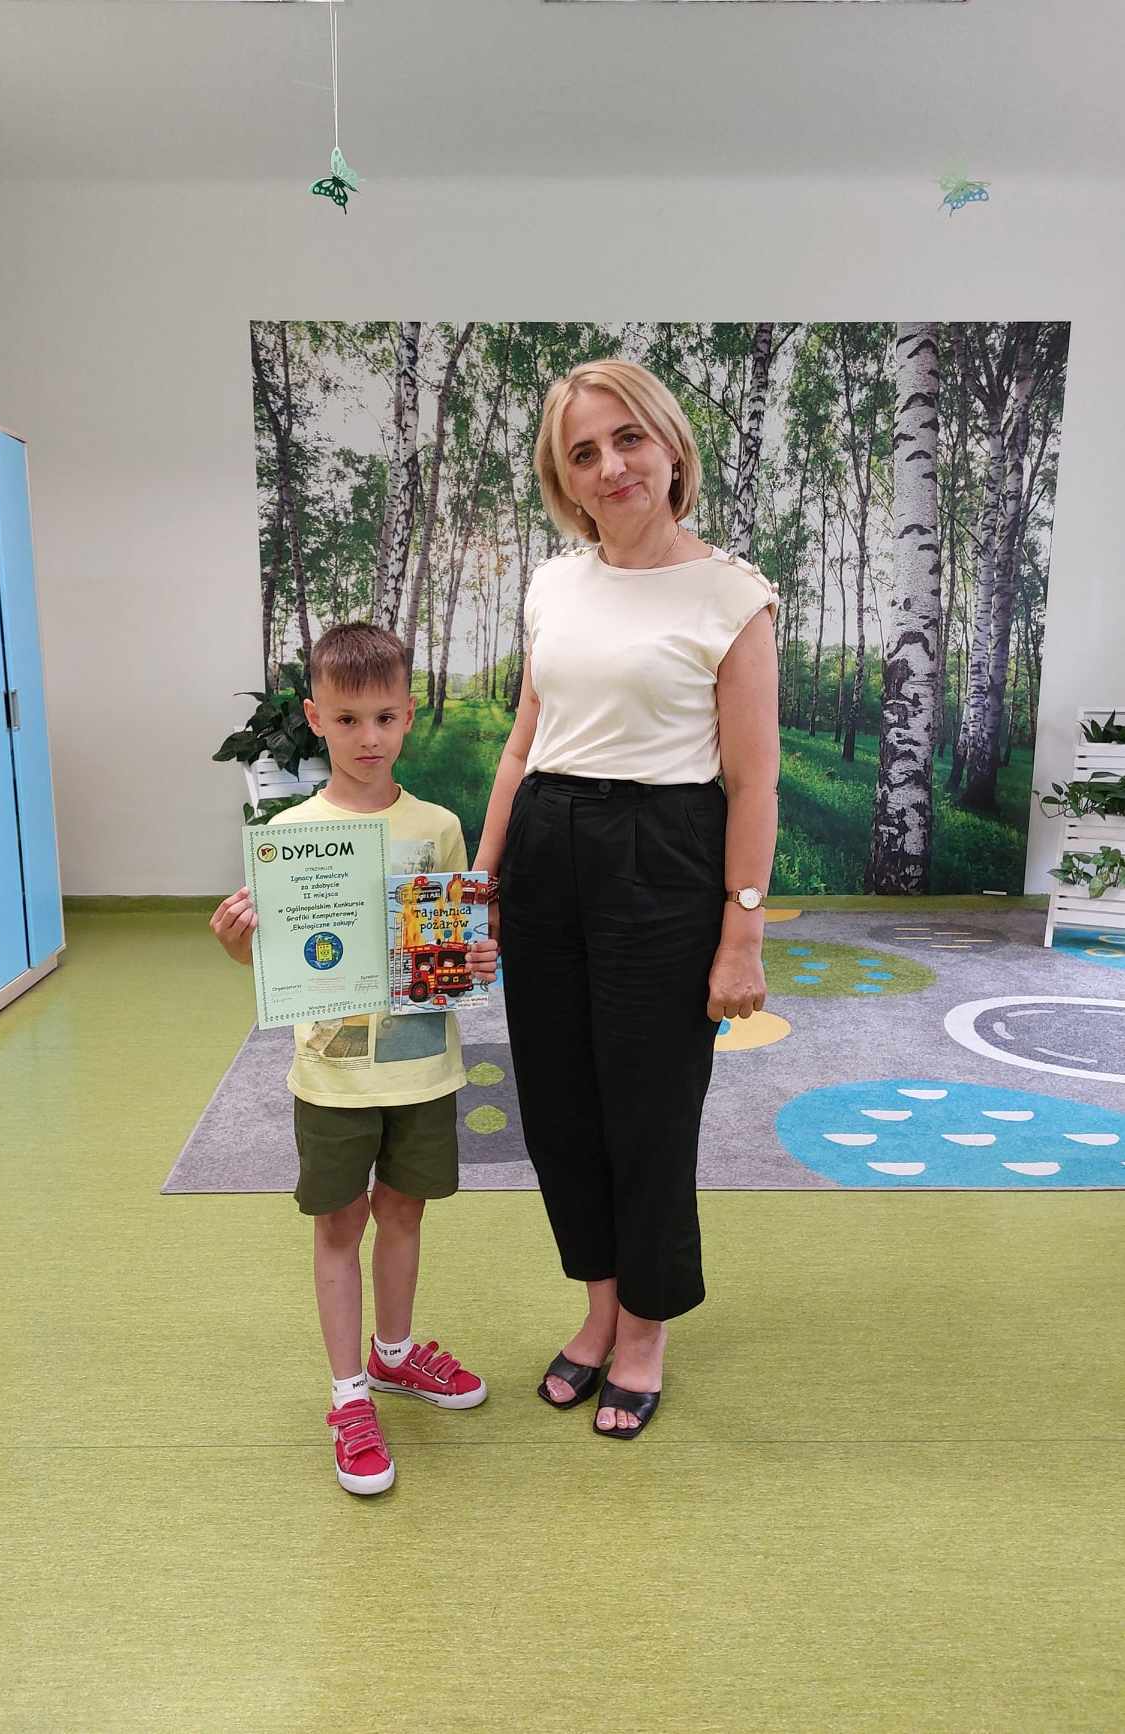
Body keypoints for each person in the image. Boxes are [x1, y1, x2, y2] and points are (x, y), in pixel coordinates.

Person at [473, 358, 780, 1439]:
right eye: (583, 453)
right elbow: (522, 743)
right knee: (557, 1105)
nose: (611, 467)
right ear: (563, 478)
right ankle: (598, 1307)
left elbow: (753, 783)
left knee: (648, 1109)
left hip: (664, 854)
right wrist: (485, 876)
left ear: (668, 444)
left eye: (627, 439)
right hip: (546, 843)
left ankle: (646, 1326)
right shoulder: (552, 585)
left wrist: (740, 935)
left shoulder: (732, 596)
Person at [211, 623, 499, 1495]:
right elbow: (272, 959)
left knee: (403, 1213)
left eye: (383, 717)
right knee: (339, 1226)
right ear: (315, 719)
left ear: (408, 715)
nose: (368, 738)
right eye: (346, 720)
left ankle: (394, 1355)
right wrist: (236, 940)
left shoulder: (438, 826)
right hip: (332, 1074)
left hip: (422, 1065)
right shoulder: (289, 834)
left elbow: (453, 948)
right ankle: (347, 1395)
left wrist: (474, 956)